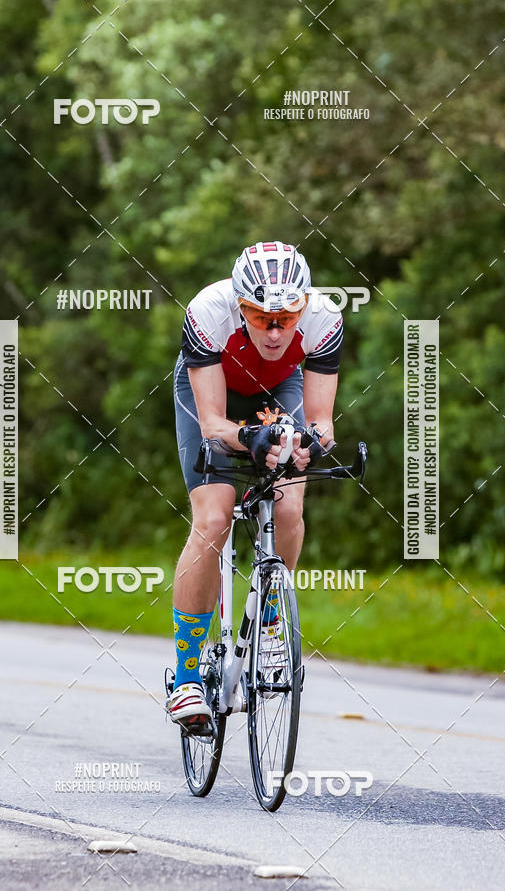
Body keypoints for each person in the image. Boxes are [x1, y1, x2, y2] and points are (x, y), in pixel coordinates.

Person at [167, 241, 343, 728]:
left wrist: (310, 443)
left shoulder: (325, 319)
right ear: (239, 306)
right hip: (214, 395)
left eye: (286, 319)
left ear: (303, 307)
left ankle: (268, 624)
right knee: (214, 517)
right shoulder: (207, 312)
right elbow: (213, 426)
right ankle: (185, 679)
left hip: (278, 390)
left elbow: (323, 422)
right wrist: (249, 437)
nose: (273, 331)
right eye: (259, 316)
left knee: (288, 509)